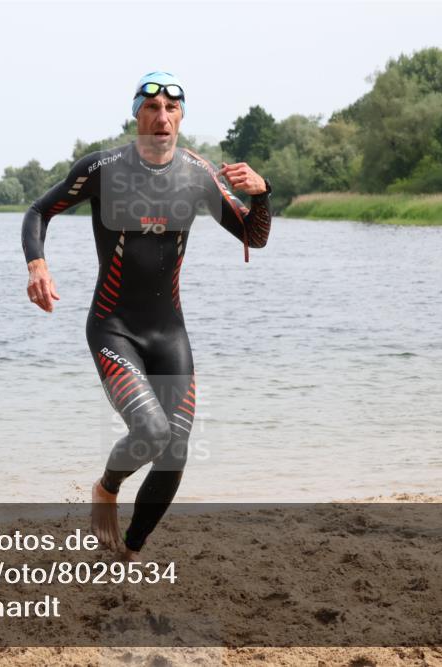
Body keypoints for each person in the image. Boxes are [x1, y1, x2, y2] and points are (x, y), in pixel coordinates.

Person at [22, 71, 272, 559]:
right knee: (153, 432)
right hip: (114, 328)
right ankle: (107, 488)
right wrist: (37, 264)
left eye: (171, 109)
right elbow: (38, 210)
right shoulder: (104, 168)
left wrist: (262, 193)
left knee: (175, 451)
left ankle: (128, 553)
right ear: (137, 114)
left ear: (181, 117)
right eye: (152, 108)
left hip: (168, 332)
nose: (162, 118)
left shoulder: (196, 175)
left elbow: (254, 236)